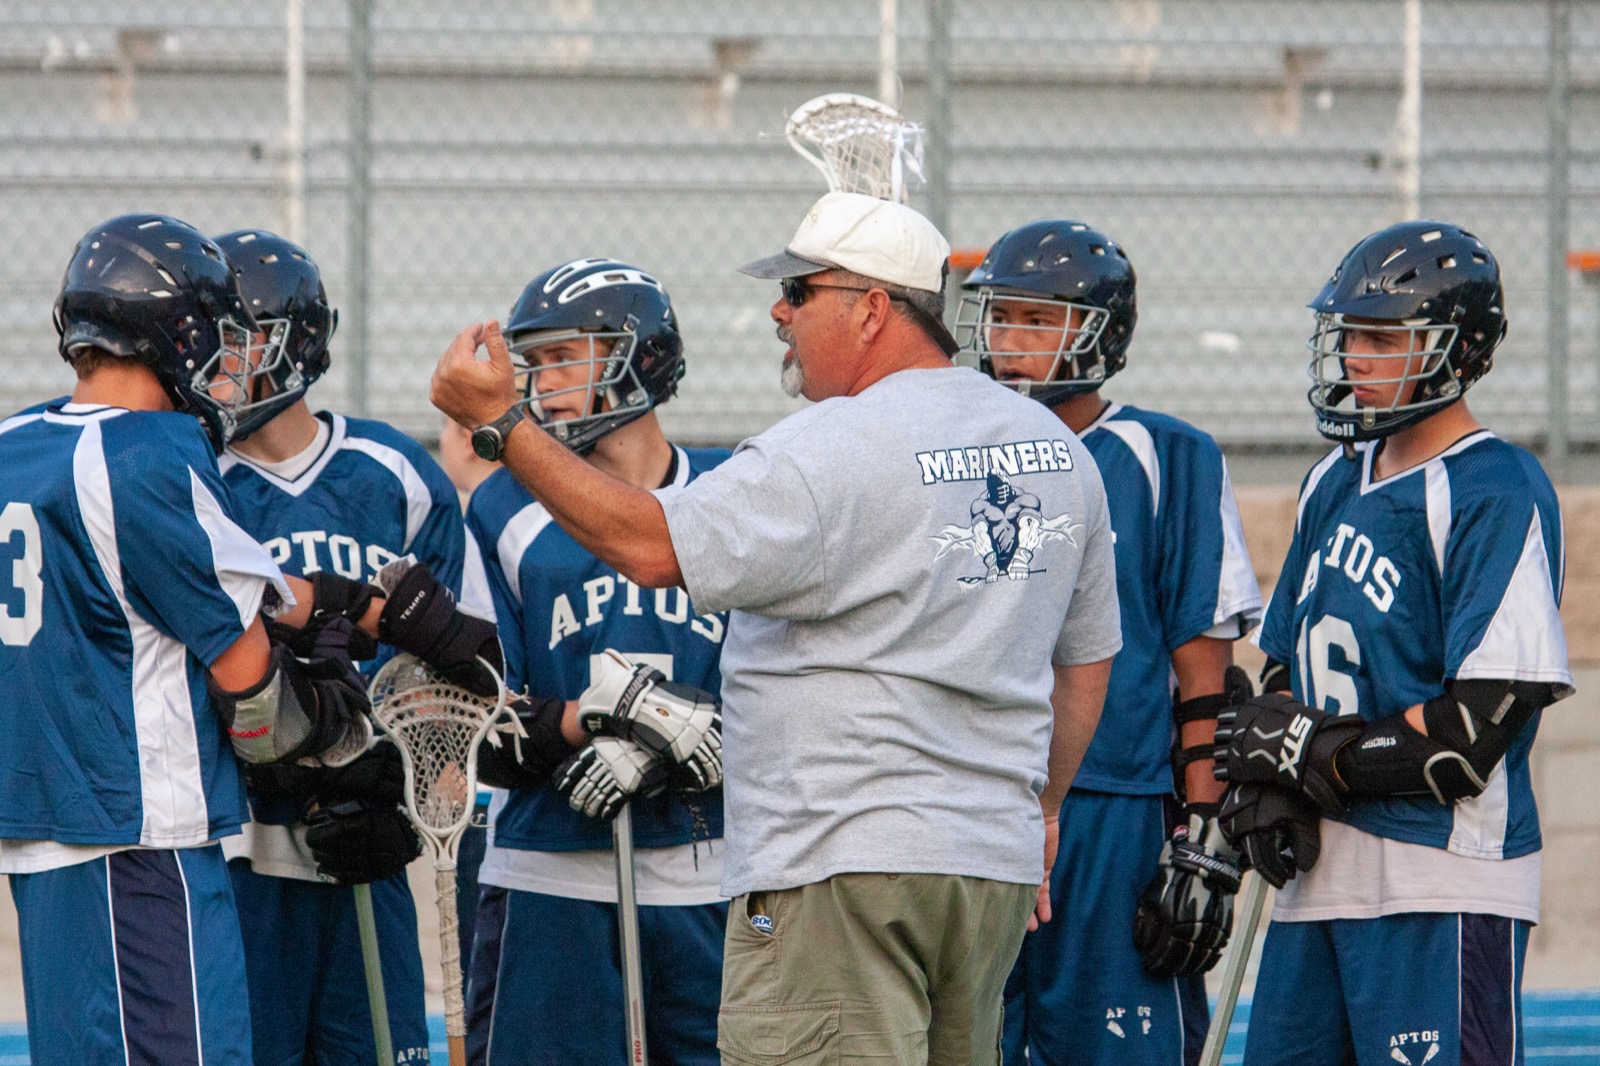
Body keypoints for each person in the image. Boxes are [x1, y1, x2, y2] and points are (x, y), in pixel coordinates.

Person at [431, 192, 1123, 1064]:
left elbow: (651, 547)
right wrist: (1044, 804)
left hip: (842, 861)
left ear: (872, 307)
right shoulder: (1052, 447)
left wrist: (504, 426)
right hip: (990, 860)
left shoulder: (825, 447)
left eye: (799, 291)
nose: (778, 311)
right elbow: (1088, 657)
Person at [0, 214, 375, 1065]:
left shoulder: (15, 442)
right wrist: (340, 735)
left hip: (39, 834)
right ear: (176, 334)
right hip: (140, 837)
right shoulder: (150, 450)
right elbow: (253, 689)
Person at [1212, 220, 1572, 1066]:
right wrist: (1268, 769)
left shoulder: (1497, 488)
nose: (1355, 359)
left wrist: (1316, 756)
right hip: (1318, 887)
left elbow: (1469, 738)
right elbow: (1283, 667)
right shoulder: (1330, 479)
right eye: (1350, 336)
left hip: (1440, 883)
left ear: (1459, 352)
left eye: (1383, 337)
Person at [960, 219, 1261, 1066]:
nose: (1007, 342)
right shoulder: (954, 454)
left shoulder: (1167, 456)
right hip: (971, 794)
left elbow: (1203, 672)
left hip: (1114, 803)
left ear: (1098, 331)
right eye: (1001, 318)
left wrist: (1204, 830)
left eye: (1033, 320)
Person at [211, 227, 495, 1066]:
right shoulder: (191, 472)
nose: (211, 366)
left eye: (234, 343)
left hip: (370, 848)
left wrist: (402, 773)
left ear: (293, 342)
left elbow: (465, 664)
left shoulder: (392, 472)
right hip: (242, 852)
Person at [456, 258, 731, 1066]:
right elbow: (480, 706)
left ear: (639, 359)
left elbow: (782, 674)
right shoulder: (502, 505)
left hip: (705, 865)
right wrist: (580, 733)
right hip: (552, 866)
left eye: (563, 358)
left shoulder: (732, 488)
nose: (540, 385)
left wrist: (696, 739)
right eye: (531, 364)